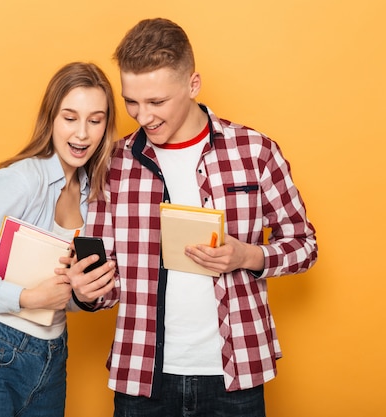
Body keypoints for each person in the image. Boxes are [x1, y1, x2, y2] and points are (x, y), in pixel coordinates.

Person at [63, 18, 318, 417]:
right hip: (142, 378)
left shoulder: (255, 152)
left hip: (235, 375)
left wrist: (246, 257)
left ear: (193, 84)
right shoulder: (112, 162)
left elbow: (305, 245)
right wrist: (86, 288)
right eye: (132, 101)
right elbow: (105, 285)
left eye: (157, 102)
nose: (142, 117)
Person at [0, 61, 117, 417]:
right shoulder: (21, 180)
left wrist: (82, 294)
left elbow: (61, 296)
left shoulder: (89, 195)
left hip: (52, 354)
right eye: (70, 117)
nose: (82, 134)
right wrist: (28, 297)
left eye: (95, 120)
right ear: (51, 118)